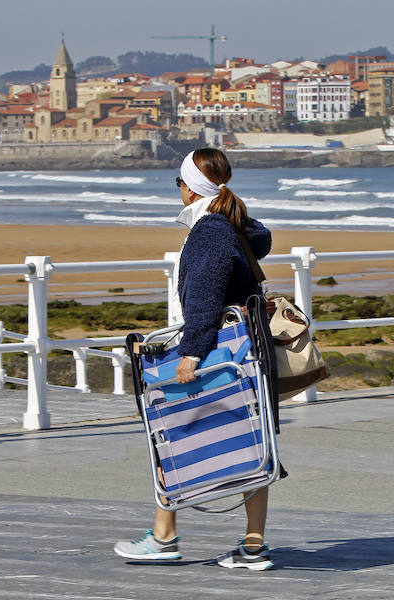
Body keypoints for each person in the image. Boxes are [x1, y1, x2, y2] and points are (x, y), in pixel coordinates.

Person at [114, 148, 276, 570]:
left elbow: (203, 298)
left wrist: (190, 354)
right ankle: (253, 545)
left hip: (214, 351)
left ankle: (164, 538)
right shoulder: (232, 223)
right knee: (251, 440)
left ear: (190, 189)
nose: (178, 188)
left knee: (167, 430)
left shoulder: (208, 231)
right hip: (245, 353)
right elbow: (258, 241)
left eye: (179, 181)